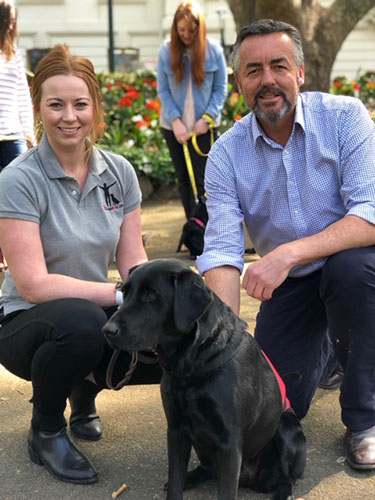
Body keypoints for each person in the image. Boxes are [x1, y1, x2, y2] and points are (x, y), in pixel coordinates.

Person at [196, 19, 375, 471]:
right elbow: (220, 250)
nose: (267, 80)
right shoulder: (225, 154)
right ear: (239, 84)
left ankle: (365, 420)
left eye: (279, 65)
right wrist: (225, 344)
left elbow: (370, 215)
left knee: (351, 272)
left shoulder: (345, 117)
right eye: (253, 71)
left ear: (300, 72)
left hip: (352, 266)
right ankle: (332, 349)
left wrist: (288, 252)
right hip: (291, 287)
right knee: (272, 408)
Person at [0, 44, 161, 485]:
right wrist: (119, 296)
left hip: (87, 311)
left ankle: (83, 392)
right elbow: (32, 285)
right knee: (84, 324)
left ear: (94, 107)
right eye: (55, 105)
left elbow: (133, 260)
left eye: (79, 104)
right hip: (25, 323)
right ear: (39, 108)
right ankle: (47, 428)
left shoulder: (120, 173)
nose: (68, 116)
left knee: (174, 336)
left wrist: (154, 302)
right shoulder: (17, 179)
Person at [157, 0, 227, 220]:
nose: (186, 35)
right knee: (183, 179)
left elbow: (220, 88)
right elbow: (163, 90)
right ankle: (192, 229)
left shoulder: (213, 50)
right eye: (182, 30)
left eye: (192, 30)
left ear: (200, 28)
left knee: (205, 179)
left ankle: (209, 228)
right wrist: (176, 121)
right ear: (176, 29)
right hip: (172, 126)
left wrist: (207, 118)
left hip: (203, 127)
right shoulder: (166, 51)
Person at [0, 0, 35, 270]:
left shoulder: (15, 54)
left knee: (19, 194)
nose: (11, 24)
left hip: (13, 137)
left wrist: (29, 132)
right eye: (7, 18)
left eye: (13, 19)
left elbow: (23, 97)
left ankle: (17, 255)